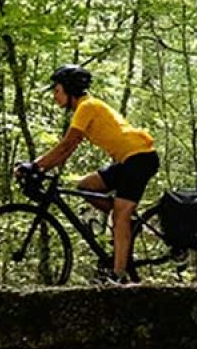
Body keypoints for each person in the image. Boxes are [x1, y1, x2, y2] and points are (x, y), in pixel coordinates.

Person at [23, 65, 158, 283]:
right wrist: (39, 166)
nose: (54, 96)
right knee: (86, 186)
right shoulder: (85, 108)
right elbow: (67, 149)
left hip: (140, 158)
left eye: (57, 90)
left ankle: (118, 275)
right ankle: (128, 221)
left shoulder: (87, 106)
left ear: (69, 89)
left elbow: (67, 145)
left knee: (119, 216)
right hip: (128, 160)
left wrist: (36, 166)